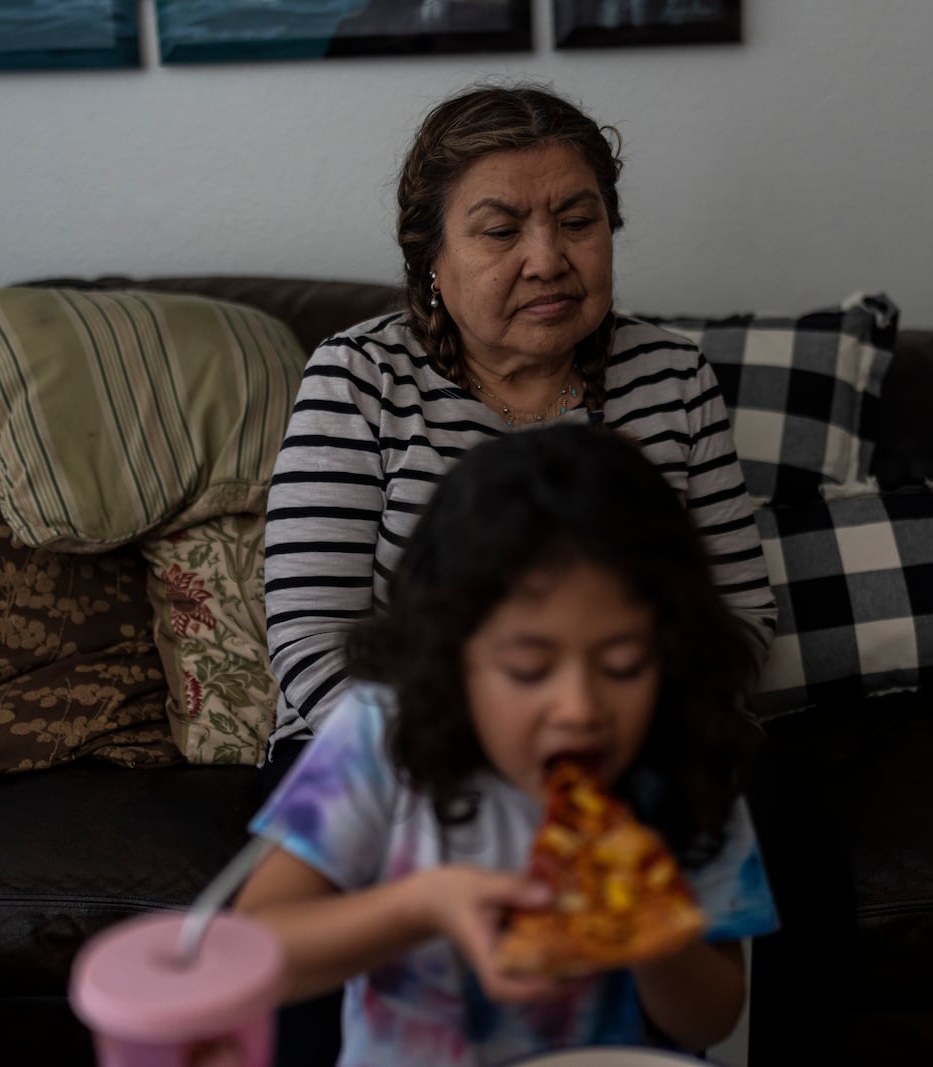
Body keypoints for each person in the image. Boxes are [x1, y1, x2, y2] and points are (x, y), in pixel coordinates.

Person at [262, 81, 777, 786]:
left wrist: (626, 737)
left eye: (577, 221)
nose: (547, 258)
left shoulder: (673, 372)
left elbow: (740, 612)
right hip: (394, 752)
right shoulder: (359, 378)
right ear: (432, 262)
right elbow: (310, 637)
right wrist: (479, 767)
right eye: (501, 231)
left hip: (630, 741)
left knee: (788, 850)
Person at [235, 422, 780, 1066]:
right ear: (452, 658)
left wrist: (652, 929)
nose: (580, 710)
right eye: (528, 669)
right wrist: (422, 907)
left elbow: (711, 1018)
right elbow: (254, 950)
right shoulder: (380, 736)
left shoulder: (688, 762)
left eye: (625, 664)